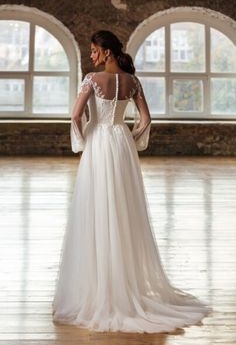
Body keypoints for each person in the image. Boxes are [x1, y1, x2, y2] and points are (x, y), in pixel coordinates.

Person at [52, 30, 211, 333]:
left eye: (94, 50)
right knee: (124, 208)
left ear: (107, 52)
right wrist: (130, 138)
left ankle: (98, 285)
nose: (92, 56)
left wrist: (84, 142)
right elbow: (146, 119)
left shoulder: (91, 80)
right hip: (121, 145)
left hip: (99, 144)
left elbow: (74, 116)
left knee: (96, 207)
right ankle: (124, 282)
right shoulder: (132, 81)